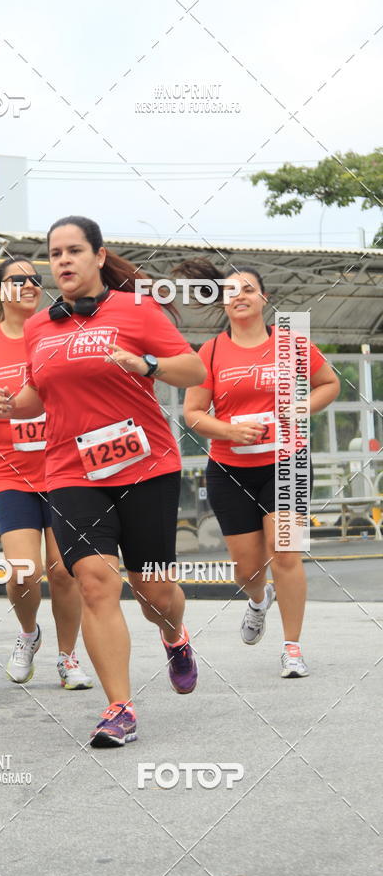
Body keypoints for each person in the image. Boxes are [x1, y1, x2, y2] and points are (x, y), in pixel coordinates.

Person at [0, 216, 207, 747]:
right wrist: (7, 404)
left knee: (153, 588)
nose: (62, 261)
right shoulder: (40, 327)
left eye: (73, 251)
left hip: (146, 466)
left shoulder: (136, 309)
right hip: (70, 470)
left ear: (98, 256)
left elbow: (193, 371)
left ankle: (174, 636)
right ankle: (119, 708)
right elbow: (39, 395)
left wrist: (146, 363)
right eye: (55, 253)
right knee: (92, 580)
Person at [183, 267, 340, 677]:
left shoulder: (290, 344)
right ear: (223, 302)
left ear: (264, 298)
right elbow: (193, 413)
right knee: (247, 568)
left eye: (248, 289)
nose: (240, 296)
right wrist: (230, 430)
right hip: (230, 469)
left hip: (287, 462)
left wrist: (302, 407)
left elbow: (329, 383)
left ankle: (292, 648)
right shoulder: (211, 352)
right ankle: (257, 600)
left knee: (285, 553)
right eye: (231, 291)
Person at [0, 255, 92, 690]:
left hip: (62, 468)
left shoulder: (57, 332)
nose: (29, 285)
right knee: (22, 568)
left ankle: (68, 657)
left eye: (35, 280)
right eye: (16, 281)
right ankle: (28, 634)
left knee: (63, 571)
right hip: (9, 472)